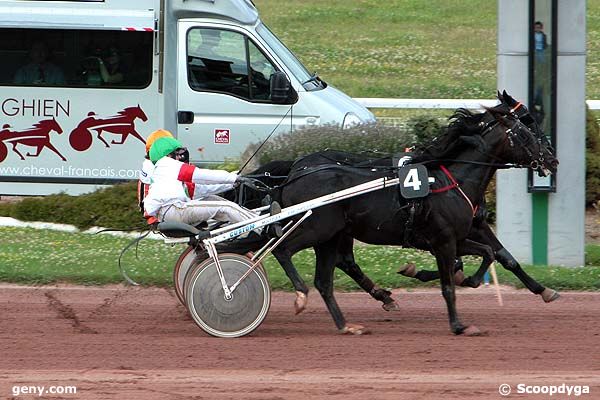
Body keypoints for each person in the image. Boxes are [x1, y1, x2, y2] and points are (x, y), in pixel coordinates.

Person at [144, 136, 263, 228]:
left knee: (212, 199)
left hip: (172, 211)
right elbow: (201, 175)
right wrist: (233, 178)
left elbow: (202, 189)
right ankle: (262, 227)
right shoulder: (167, 164)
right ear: (167, 155)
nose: (181, 158)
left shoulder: (165, 173)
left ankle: (256, 218)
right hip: (173, 210)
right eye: (177, 154)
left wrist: (231, 184)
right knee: (226, 206)